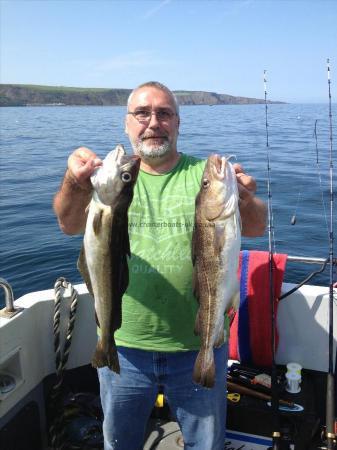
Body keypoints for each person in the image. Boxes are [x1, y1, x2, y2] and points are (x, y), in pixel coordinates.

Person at [53, 81, 267, 450]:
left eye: (164, 113)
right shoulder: (111, 177)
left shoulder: (202, 175)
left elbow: (257, 226)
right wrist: (75, 181)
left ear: (178, 123)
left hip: (197, 343)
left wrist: (244, 198)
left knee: (207, 444)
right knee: (119, 443)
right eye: (142, 113)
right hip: (125, 346)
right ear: (127, 123)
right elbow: (69, 224)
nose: (154, 122)